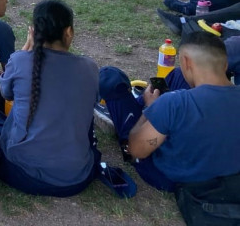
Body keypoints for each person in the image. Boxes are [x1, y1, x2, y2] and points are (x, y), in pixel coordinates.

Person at [99, 32, 240, 211]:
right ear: (226, 64)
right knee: (177, 76)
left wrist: (152, 110)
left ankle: (137, 105)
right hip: (223, 178)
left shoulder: (174, 103)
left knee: (109, 76)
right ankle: (142, 101)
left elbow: (136, 151)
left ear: (187, 62)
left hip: (169, 177)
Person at [0, 0, 100, 197]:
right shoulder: (90, 68)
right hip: (75, 178)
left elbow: (5, 93)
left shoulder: (19, 61)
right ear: (68, 32)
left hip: (21, 172)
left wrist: (24, 51)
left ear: (34, 32)